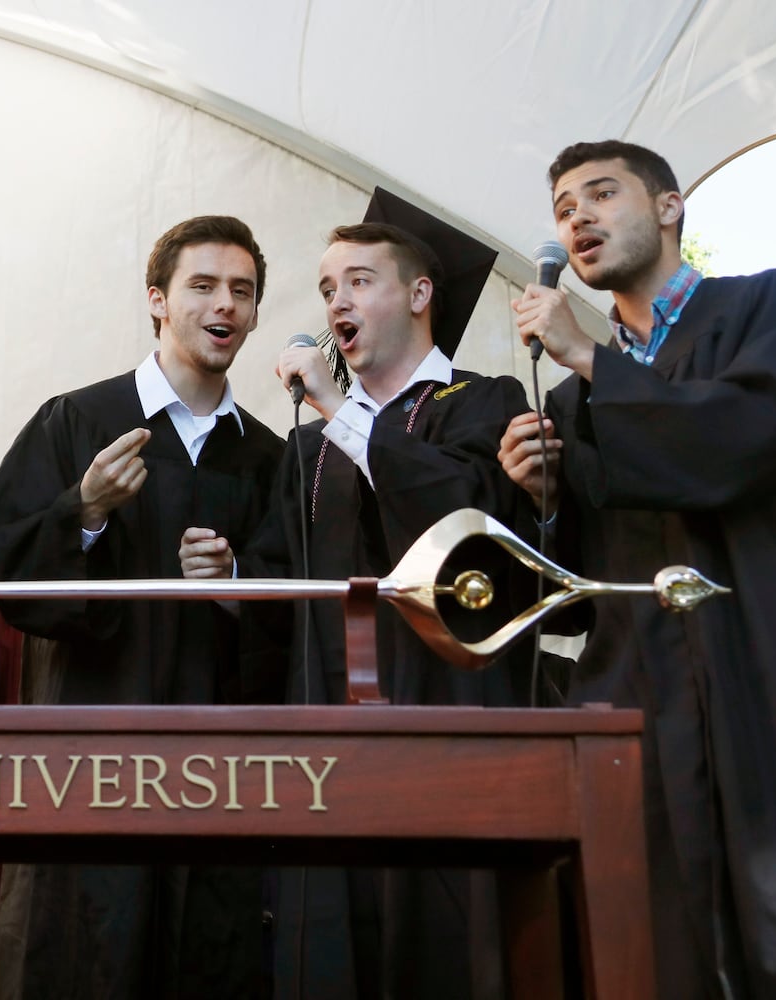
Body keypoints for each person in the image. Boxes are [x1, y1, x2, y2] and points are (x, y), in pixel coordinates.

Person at [498, 139, 776, 997]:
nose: (577, 218)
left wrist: (594, 360)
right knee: (657, 947)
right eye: (562, 209)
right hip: (646, 696)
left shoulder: (774, 305)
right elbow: (581, 584)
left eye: (601, 193)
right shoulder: (569, 400)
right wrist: (544, 497)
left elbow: (759, 432)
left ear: (668, 207)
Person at [0, 215, 284, 998]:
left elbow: (296, 612)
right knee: (83, 945)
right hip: (91, 753)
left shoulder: (272, 456)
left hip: (220, 772)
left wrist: (239, 580)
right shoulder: (81, 420)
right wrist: (83, 509)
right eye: (203, 286)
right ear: (157, 300)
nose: (226, 305)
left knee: (210, 947)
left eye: (242, 291)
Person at [245, 194, 533, 999]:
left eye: (360, 280)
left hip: (444, 708)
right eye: (328, 285)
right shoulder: (307, 446)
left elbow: (463, 520)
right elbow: (280, 580)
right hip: (327, 726)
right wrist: (226, 573)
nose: (336, 300)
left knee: (447, 936)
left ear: (418, 295)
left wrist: (341, 410)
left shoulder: (483, 401)